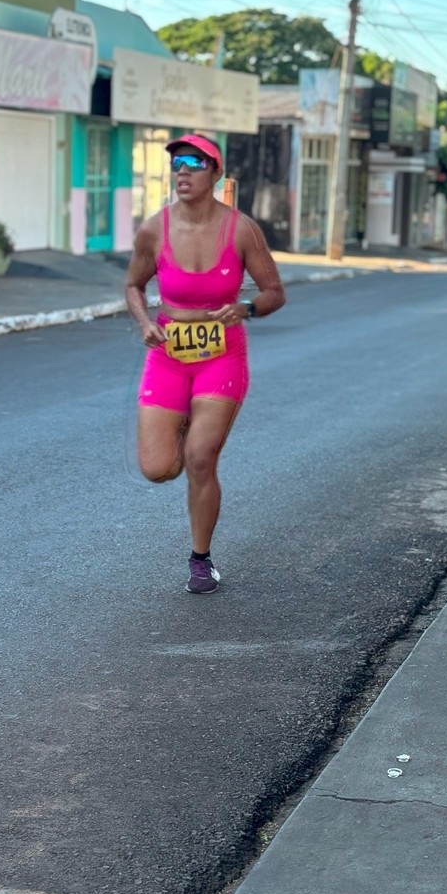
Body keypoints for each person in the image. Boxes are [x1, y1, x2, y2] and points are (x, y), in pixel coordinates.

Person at [125, 134, 286, 593]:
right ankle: (182, 423)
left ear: (215, 173)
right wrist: (143, 323)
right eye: (177, 162)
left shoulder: (241, 230)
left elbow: (274, 292)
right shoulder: (153, 230)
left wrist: (247, 309)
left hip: (221, 355)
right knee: (158, 468)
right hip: (168, 354)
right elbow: (134, 286)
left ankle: (201, 559)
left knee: (200, 459)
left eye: (196, 162)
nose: (184, 170)